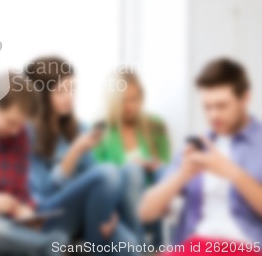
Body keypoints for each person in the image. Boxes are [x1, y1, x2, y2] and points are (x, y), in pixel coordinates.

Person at [139, 58, 262, 255]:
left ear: (245, 99)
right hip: (195, 246)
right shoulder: (197, 147)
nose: (213, 115)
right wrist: (183, 174)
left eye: (221, 106)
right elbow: (145, 212)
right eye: (207, 107)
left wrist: (232, 172)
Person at [24, 57, 138, 256]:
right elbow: (42, 195)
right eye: (61, 91)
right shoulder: (26, 134)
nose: (70, 97)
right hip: (50, 215)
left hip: (88, 213)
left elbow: (98, 182)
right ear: (41, 96)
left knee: (130, 246)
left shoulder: (79, 129)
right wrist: (74, 152)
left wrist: (108, 212)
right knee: (108, 173)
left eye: (72, 89)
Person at [0, 72, 67, 256]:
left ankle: (41, 243)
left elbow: (20, 187)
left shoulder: (20, 134)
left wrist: (26, 210)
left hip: (11, 218)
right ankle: (46, 245)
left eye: (20, 125)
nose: (16, 131)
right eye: (11, 122)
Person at [94, 69, 170, 244]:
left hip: (151, 192)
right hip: (121, 199)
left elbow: (166, 164)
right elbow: (100, 174)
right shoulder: (100, 130)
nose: (129, 106)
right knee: (133, 170)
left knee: (164, 172)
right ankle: (141, 245)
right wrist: (131, 166)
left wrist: (152, 164)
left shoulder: (155, 125)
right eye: (123, 101)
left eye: (134, 99)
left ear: (141, 98)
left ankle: (161, 247)